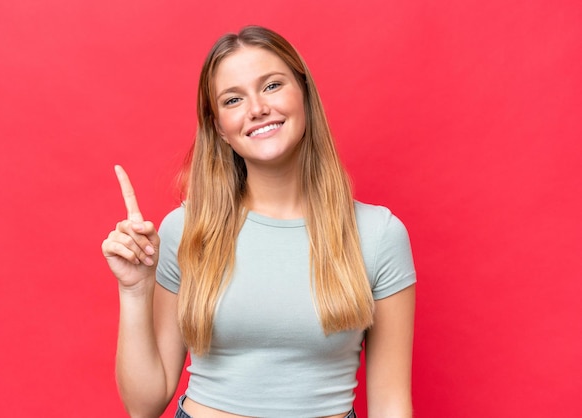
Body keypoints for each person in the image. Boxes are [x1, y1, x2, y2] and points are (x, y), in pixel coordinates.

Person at [102, 25, 416, 418]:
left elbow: (390, 403)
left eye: (271, 86)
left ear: (304, 94)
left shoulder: (378, 234)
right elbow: (143, 405)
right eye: (233, 99)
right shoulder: (185, 230)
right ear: (219, 126)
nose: (256, 109)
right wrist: (133, 292)